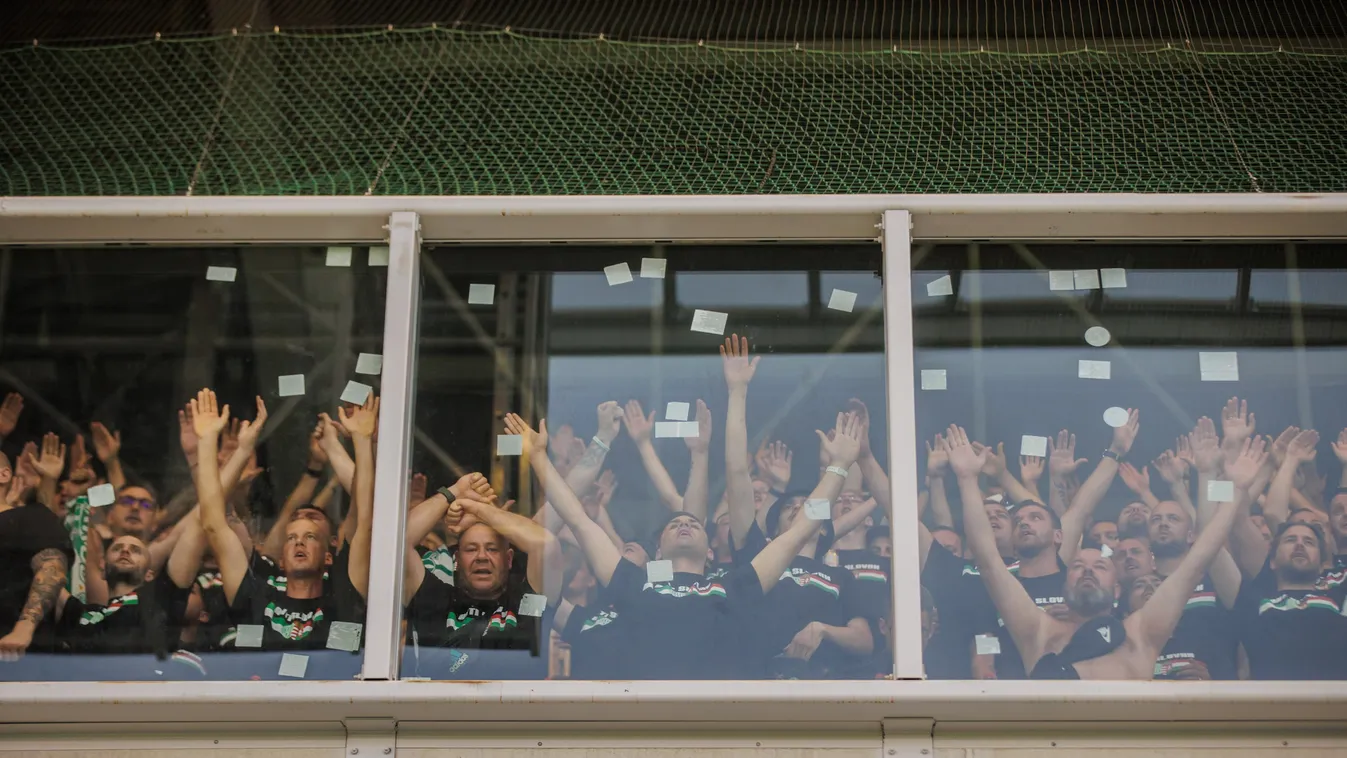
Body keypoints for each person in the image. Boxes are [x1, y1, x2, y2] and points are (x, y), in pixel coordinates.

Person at [505, 394, 842, 680]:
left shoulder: (735, 585)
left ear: (711, 551)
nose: (685, 524)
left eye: (693, 524)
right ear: (658, 551)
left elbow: (798, 531)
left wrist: (838, 468)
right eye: (674, 524)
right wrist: (538, 458)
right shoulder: (634, 583)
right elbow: (578, 520)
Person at [951, 422, 1265, 680]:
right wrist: (966, 480)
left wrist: (1237, 492)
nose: (1088, 569)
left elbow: (1198, 560)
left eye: (1100, 567)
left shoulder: (1142, 632)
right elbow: (989, 562)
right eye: (1078, 566)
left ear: (1117, 587)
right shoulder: (1038, 631)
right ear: (1064, 587)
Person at [721, 335, 875, 678]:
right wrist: (737, 393)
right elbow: (735, 473)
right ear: (772, 530)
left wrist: (823, 630)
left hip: (824, 694)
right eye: (789, 506)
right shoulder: (756, 553)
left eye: (806, 507)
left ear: (822, 528)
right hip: (754, 688)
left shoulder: (840, 577)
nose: (798, 508)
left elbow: (865, 640)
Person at [193, 389, 366, 650]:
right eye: (291, 538)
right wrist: (208, 443)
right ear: (281, 560)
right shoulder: (258, 597)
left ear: (329, 556)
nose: (299, 543)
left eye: (310, 537)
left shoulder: (342, 596)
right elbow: (213, 524)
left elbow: (365, 511)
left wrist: (359, 443)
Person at [0, 483, 71, 658]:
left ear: (3, 475)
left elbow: (50, 566)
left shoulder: (29, 516)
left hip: (12, 654)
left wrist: (24, 627)